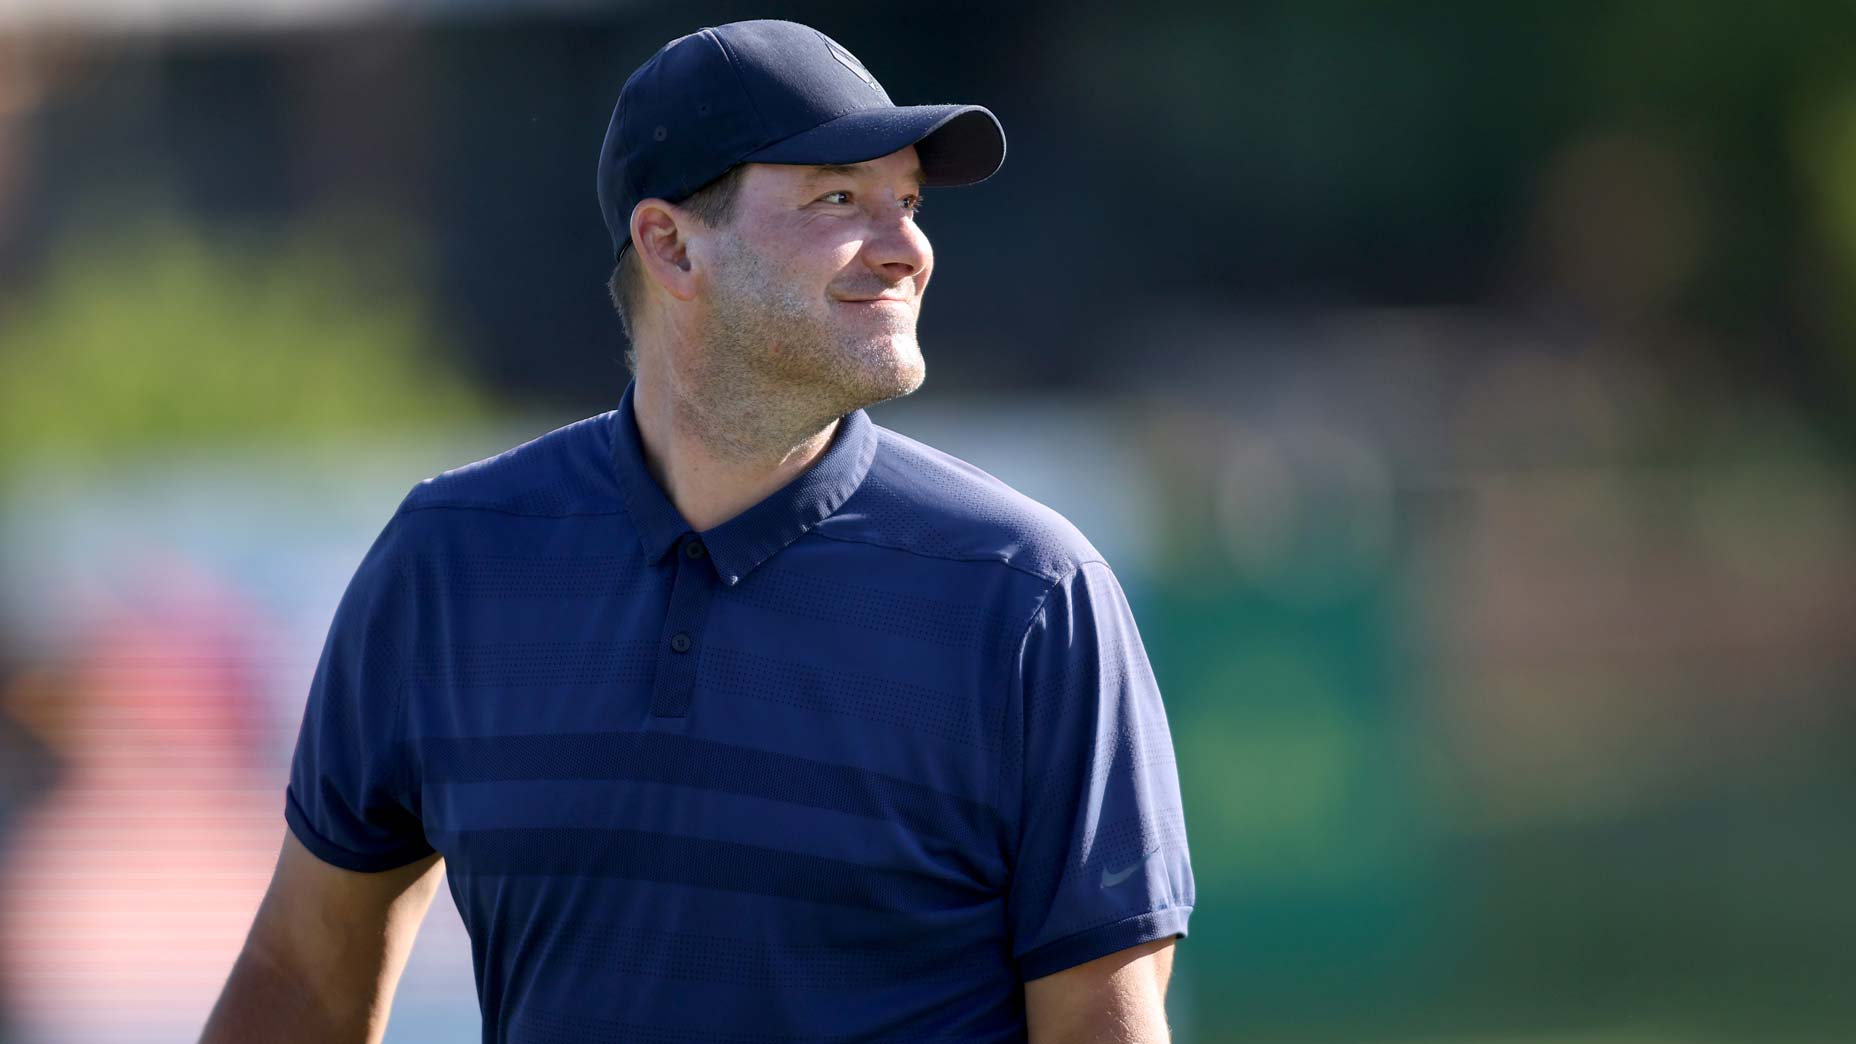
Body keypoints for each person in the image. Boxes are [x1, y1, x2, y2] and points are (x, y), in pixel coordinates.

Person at [201, 18, 1193, 1044]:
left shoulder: (1028, 595)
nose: (907, 248)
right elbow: (304, 977)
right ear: (669, 244)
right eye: (838, 200)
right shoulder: (450, 558)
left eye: (907, 201)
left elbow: (1101, 1025)